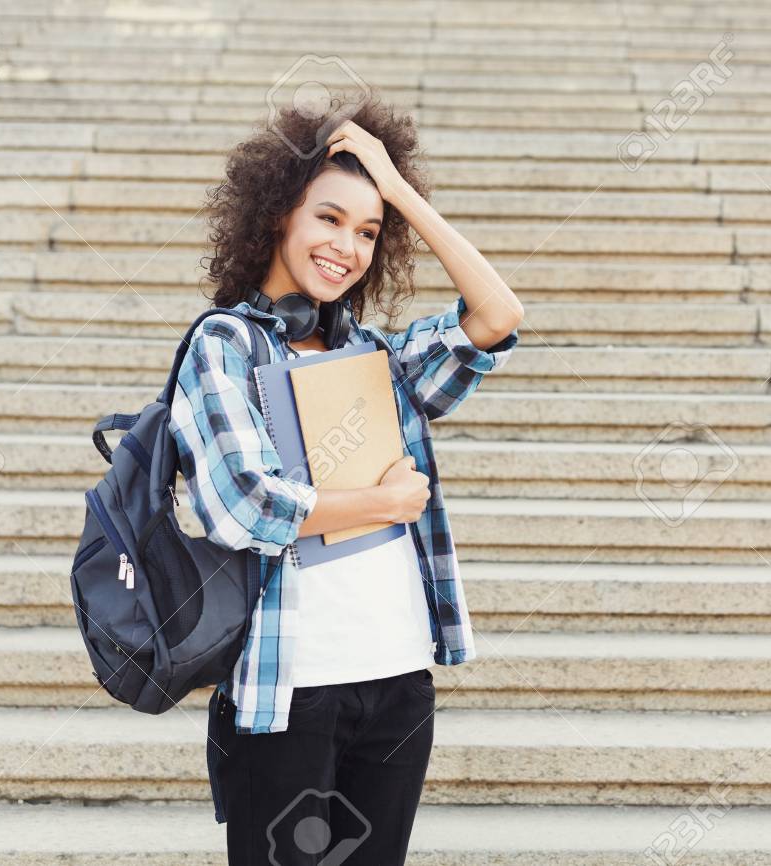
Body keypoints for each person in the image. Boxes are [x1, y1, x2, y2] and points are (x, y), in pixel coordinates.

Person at [168, 90, 523, 866]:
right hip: (286, 688)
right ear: (277, 217)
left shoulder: (376, 357)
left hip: (396, 677)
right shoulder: (222, 346)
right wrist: (383, 502)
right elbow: (244, 505)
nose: (348, 246)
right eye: (328, 218)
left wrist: (398, 193)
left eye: (367, 233)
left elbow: (496, 314)